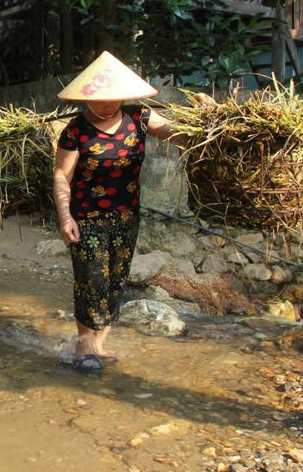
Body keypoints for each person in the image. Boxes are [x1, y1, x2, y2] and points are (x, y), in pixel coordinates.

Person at [52, 51, 207, 372]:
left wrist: (206, 116)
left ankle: (100, 343)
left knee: (116, 280)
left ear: (123, 96)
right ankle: (85, 344)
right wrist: (65, 217)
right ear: (86, 97)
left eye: (111, 99)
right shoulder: (75, 130)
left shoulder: (141, 118)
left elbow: (180, 134)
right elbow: (61, 176)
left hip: (127, 216)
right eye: (97, 99)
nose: (104, 105)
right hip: (86, 217)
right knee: (91, 278)